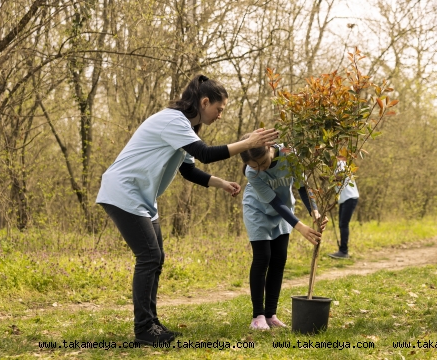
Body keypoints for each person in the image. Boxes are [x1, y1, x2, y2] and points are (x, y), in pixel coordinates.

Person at [96, 75, 278, 344]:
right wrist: (248, 144)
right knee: (149, 257)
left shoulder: (185, 129)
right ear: (205, 102)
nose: (219, 116)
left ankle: (152, 324)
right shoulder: (173, 120)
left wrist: (220, 183)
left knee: (155, 258)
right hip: (123, 191)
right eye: (219, 109)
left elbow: (188, 169)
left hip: (142, 198)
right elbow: (206, 153)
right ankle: (144, 330)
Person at [239, 135, 327, 330]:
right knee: (263, 258)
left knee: (279, 259)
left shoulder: (289, 155)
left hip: (285, 212)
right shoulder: (251, 173)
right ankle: (258, 316)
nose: (260, 168)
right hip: (258, 210)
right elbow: (273, 202)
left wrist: (315, 211)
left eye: (263, 162)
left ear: (270, 148)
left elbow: (303, 186)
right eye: (256, 166)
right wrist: (300, 226)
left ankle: (270, 314)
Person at [328, 157, 359, 259]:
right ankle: (342, 250)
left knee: (343, 224)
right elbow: (340, 188)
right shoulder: (335, 167)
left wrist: (327, 177)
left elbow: (340, 177)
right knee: (342, 224)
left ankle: (344, 251)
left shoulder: (341, 164)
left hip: (350, 198)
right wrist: (333, 204)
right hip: (344, 199)